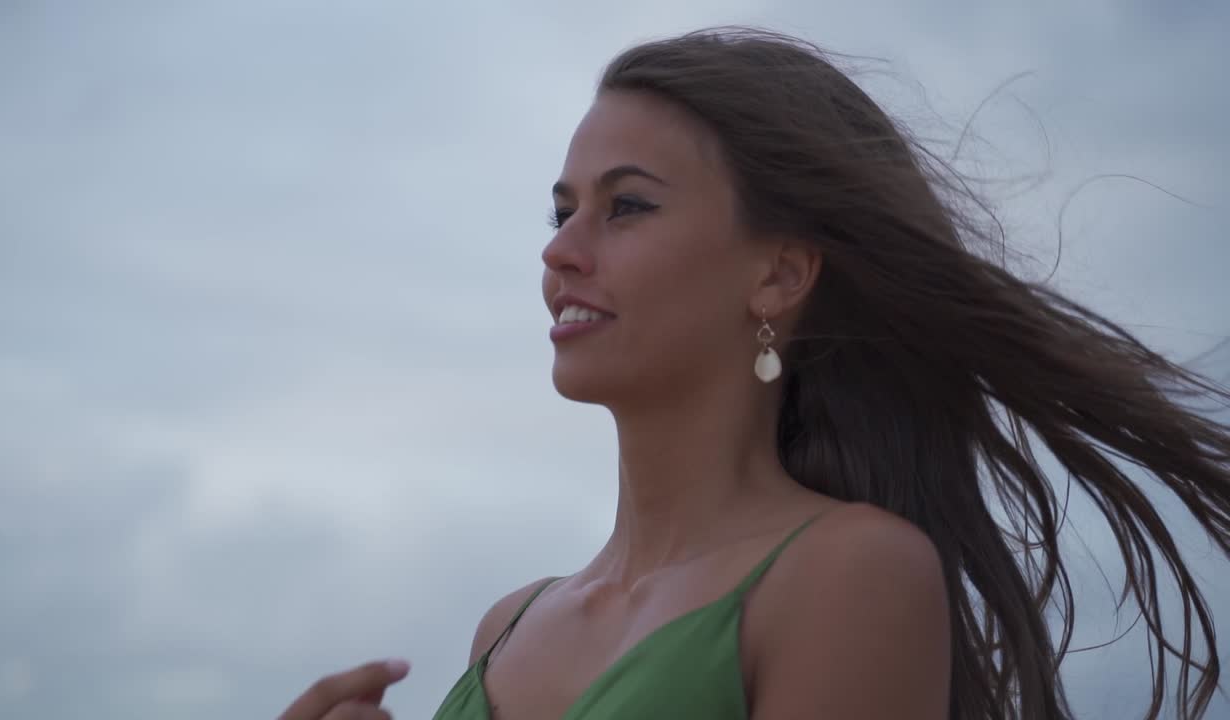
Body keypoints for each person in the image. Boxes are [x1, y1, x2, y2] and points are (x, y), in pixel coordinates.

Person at [278, 26, 1230, 720]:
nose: (560, 252)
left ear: (777, 273)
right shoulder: (507, 627)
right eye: (559, 211)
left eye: (628, 208)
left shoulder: (851, 575)